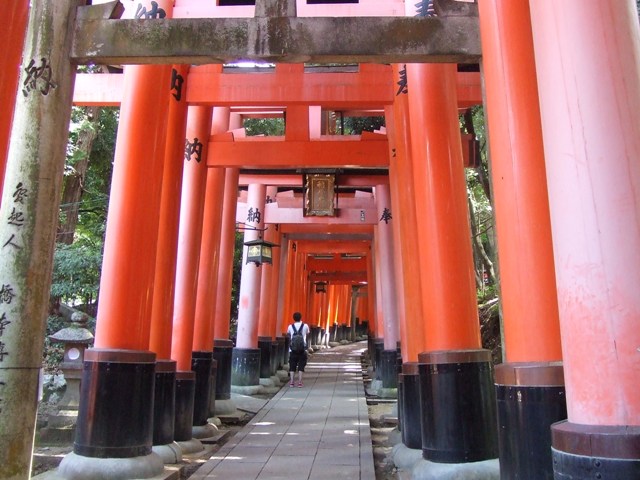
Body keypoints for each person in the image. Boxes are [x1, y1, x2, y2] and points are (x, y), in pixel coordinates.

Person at [287, 311, 309, 387]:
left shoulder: (290, 326)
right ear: (301, 318)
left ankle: (292, 382)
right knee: (301, 365)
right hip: (302, 349)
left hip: (292, 349)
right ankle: (300, 382)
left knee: (292, 365)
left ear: (293, 318)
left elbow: (289, 335)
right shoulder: (305, 326)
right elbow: (307, 333)